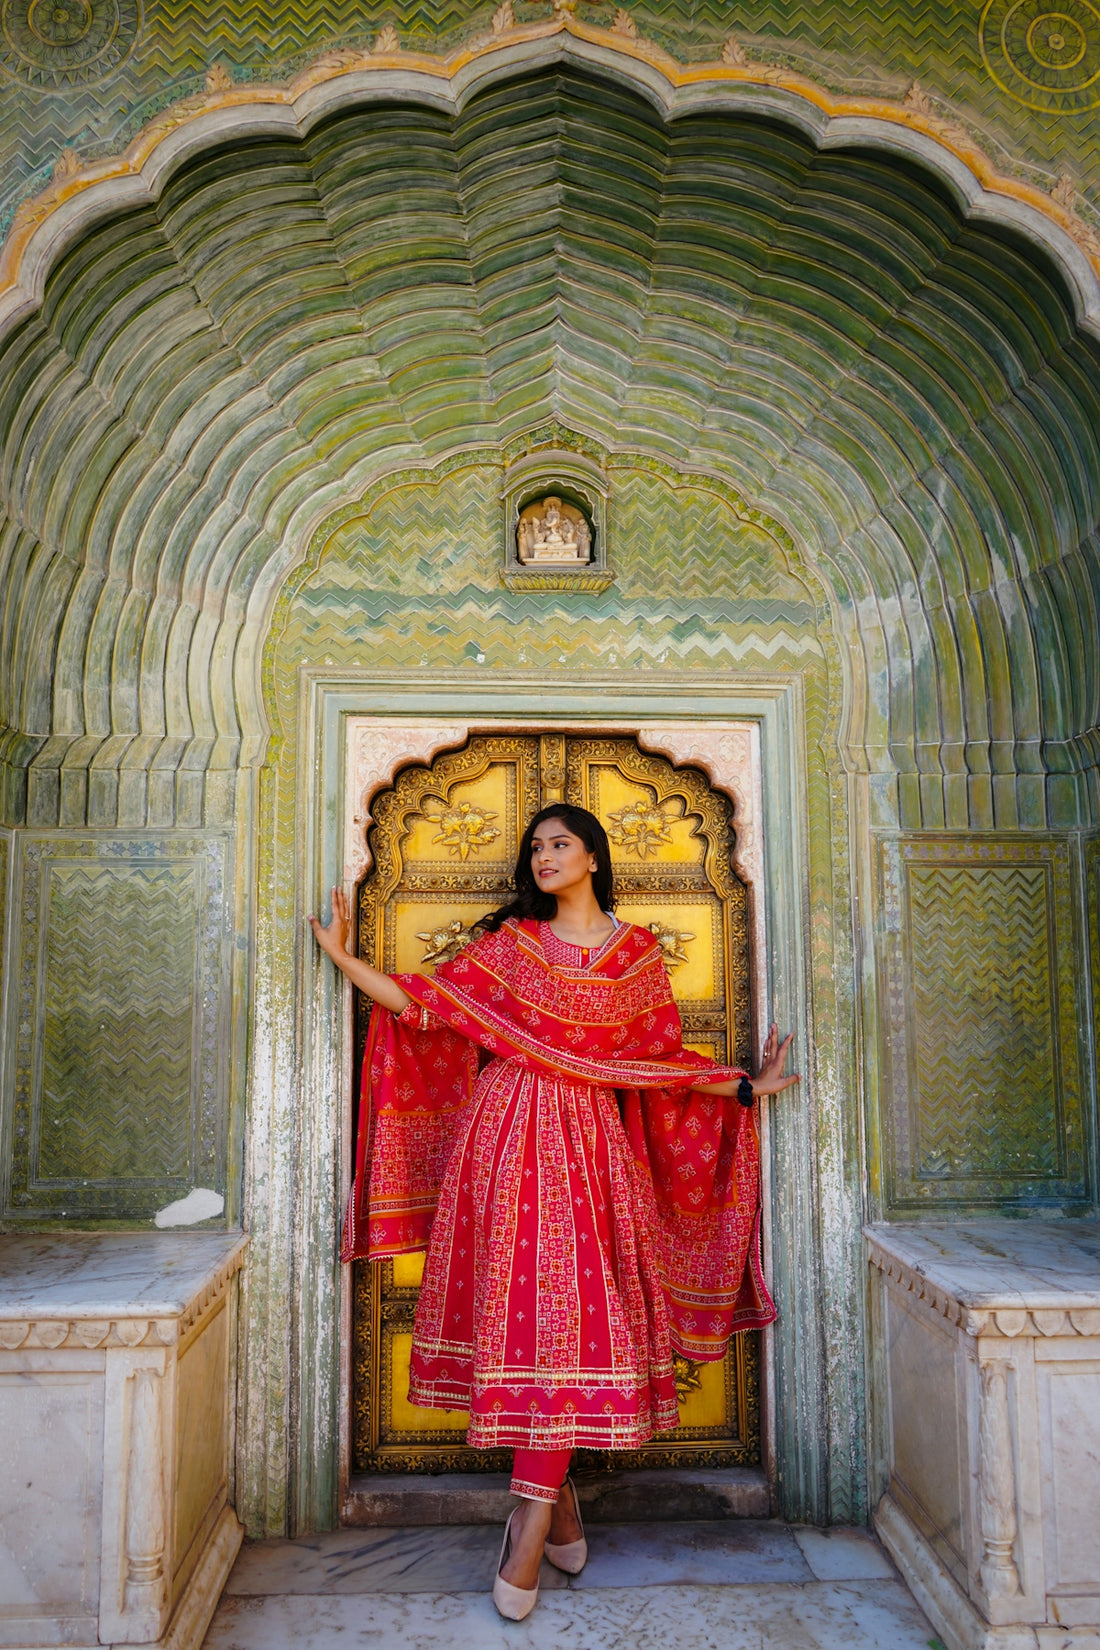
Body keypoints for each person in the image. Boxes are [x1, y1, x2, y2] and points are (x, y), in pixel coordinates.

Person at [310, 803, 799, 1620]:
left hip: (591, 1151)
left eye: (560, 844)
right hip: (503, 1141)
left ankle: (539, 1505)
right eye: (536, 847)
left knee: (576, 1325)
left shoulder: (637, 957)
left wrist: (746, 1085)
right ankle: (541, 1512)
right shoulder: (514, 950)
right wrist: (344, 960)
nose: (544, 856)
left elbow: (658, 1067)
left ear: (595, 858)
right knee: (530, 1323)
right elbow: (422, 1005)